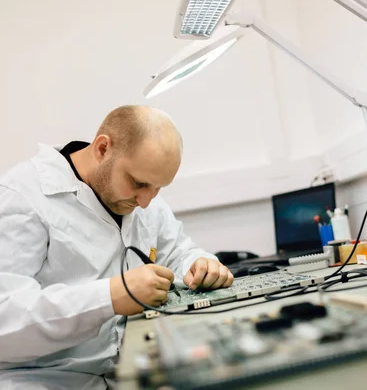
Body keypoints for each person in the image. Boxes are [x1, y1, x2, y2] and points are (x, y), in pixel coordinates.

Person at [0, 105, 234, 389]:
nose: (147, 201)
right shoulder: (22, 196)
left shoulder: (141, 196)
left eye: (159, 188)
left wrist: (200, 264)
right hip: (47, 380)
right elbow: (6, 320)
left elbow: (177, 251)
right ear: (102, 149)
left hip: (131, 370)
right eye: (139, 183)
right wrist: (110, 296)